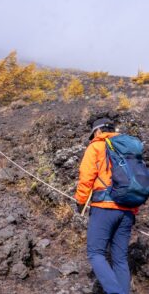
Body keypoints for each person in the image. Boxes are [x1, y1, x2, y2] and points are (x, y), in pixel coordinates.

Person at [75, 117, 137, 294]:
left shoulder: (96, 146)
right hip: (127, 210)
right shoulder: (128, 150)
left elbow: (86, 178)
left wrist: (80, 202)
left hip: (103, 207)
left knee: (95, 253)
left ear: (98, 131)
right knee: (120, 259)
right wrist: (133, 209)